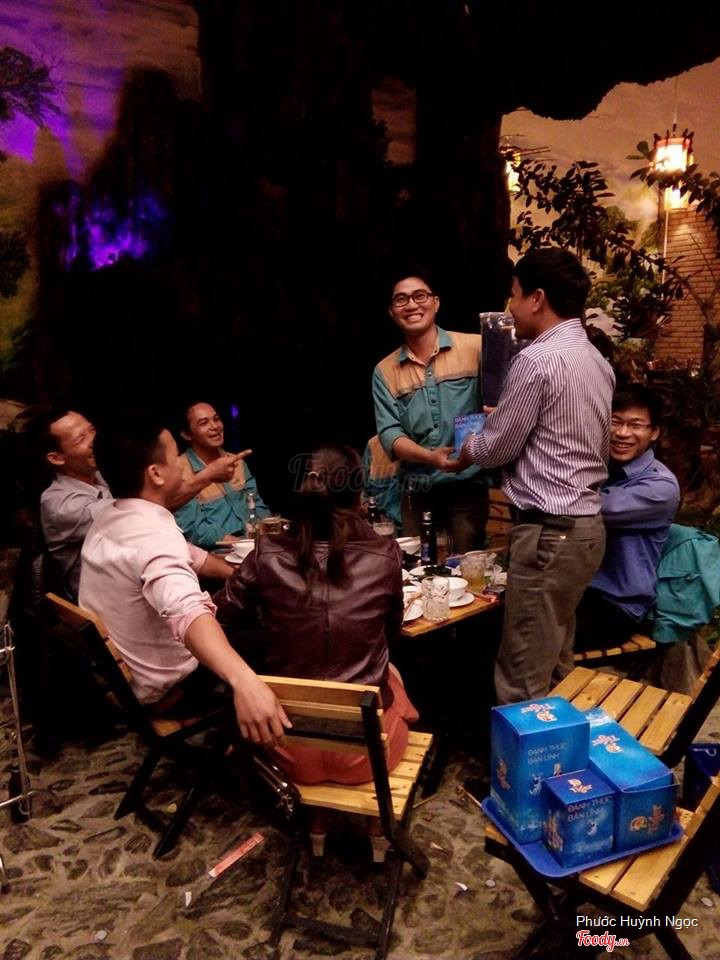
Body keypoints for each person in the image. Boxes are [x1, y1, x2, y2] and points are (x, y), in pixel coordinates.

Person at [451, 247, 615, 704]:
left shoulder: (535, 359)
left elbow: (496, 449)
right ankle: (561, 747)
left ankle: (525, 753)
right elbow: (582, 438)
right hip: (585, 530)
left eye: (514, 295)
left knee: (521, 673)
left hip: (548, 533)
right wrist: (508, 418)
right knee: (556, 660)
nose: (510, 307)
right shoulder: (596, 360)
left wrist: (469, 446)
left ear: (537, 298)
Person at [79, 411, 289, 745]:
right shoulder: (152, 538)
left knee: (245, 615)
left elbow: (191, 555)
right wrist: (244, 682)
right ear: (155, 473)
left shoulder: (113, 516)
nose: (182, 463)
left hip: (127, 680)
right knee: (280, 637)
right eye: (176, 455)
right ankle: (282, 748)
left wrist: (242, 575)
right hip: (170, 688)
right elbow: (186, 611)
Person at [215, 444, 418, 789]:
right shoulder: (386, 556)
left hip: (289, 748)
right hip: (366, 756)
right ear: (358, 497)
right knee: (393, 676)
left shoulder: (266, 552)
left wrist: (245, 677)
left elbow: (218, 615)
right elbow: (391, 632)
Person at [372, 270, 489, 552]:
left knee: (466, 565)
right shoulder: (385, 371)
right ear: (392, 312)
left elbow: (500, 404)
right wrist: (430, 457)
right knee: (418, 566)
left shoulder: (475, 348)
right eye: (401, 300)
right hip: (417, 490)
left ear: (436, 302)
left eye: (419, 296)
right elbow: (389, 434)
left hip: (468, 485)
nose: (411, 305)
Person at [575, 384, 680, 649]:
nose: (622, 433)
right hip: (576, 592)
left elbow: (581, 507)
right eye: (615, 422)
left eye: (635, 425)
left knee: (519, 641)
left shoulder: (660, 487)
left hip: (614, 606)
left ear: (654, 432)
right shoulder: (597, 465)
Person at [173, 401, 270, 548]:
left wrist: (265, 535)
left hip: (254, 543)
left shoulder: (236, 461)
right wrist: (243, 545)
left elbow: (257, 505)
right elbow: (196, 529)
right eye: (204, 423)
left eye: (216, 419)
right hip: (217, 550)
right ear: (186, 434)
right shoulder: (179, 470)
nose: (215, 426)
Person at [39, 409, 114, 600]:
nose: (94, 441)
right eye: (81, 439)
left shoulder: (97, 472)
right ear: (57, 458)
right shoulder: (59, 504)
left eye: (92, 430)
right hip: (101, 601)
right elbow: (132, 512)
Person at [362, 434, 402, 530]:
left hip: (416, 530)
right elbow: (362, 492)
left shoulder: (427, 445)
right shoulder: (373, 444)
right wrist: (372, 513)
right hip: (382, 530)